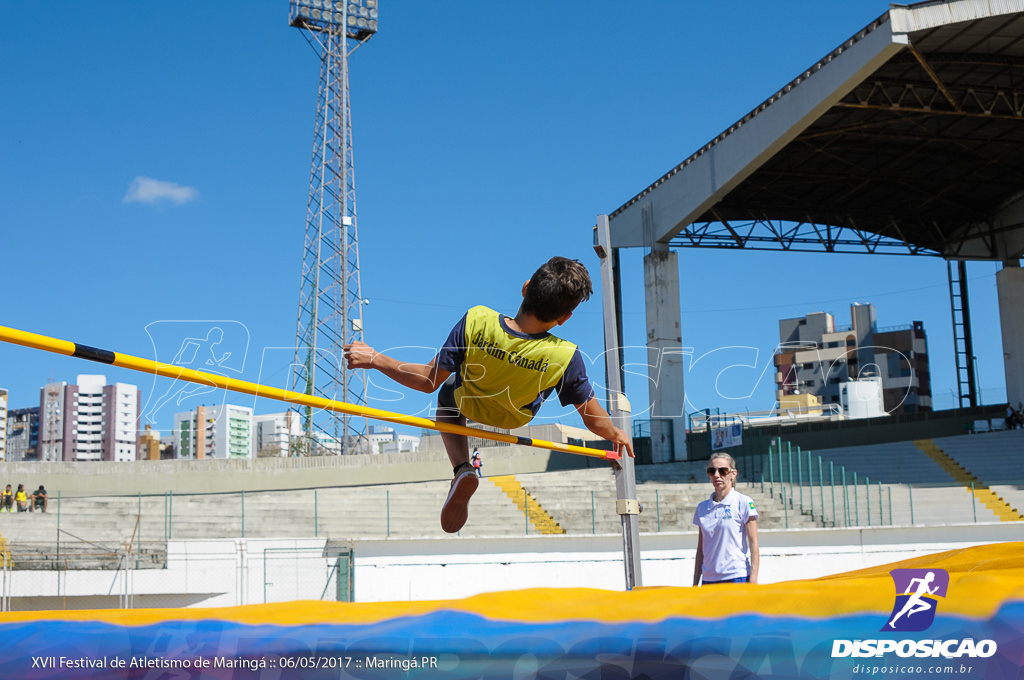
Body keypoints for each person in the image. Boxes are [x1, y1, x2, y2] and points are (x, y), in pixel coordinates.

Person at [344, 256, 634, 533]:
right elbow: (592, 418)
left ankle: (461, 468)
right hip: (514, 417)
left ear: (526, 287)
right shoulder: (566, 354)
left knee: (446, 392)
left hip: (467, 404)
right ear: (565, 318)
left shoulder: (477, 319)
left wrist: (374, 358)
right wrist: (615, 433)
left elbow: (427, 380)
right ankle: (463, 471)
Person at [692, 452, 760, 585]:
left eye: (723, 470)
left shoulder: (744, 502)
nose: (717, 475)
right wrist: (695, 583)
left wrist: (753, 579)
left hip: (736, 576)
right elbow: (700, 549)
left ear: (733, 474)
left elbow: (754, 544)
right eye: (712, 471)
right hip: (709, 580)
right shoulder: (702, 508)